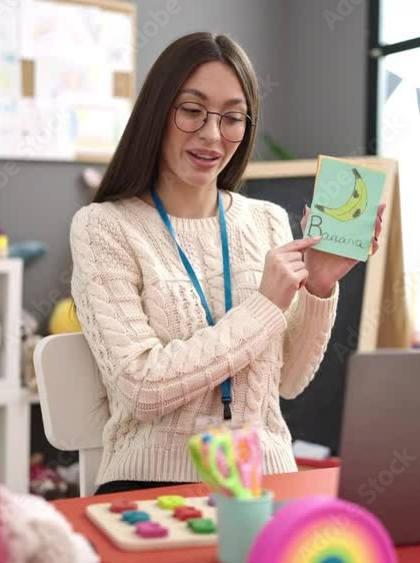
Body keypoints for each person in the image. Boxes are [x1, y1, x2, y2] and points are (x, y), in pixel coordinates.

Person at [69, 32, 385, 495]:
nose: (212, 134)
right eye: (192, 110)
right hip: (152, 481)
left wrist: (318, 286)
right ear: (158, 111)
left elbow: (291, 382)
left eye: (232, 117)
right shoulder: (104, 227)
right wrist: (264, 307)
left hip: (266, 476)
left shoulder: (267, 221)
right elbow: (141, 387)